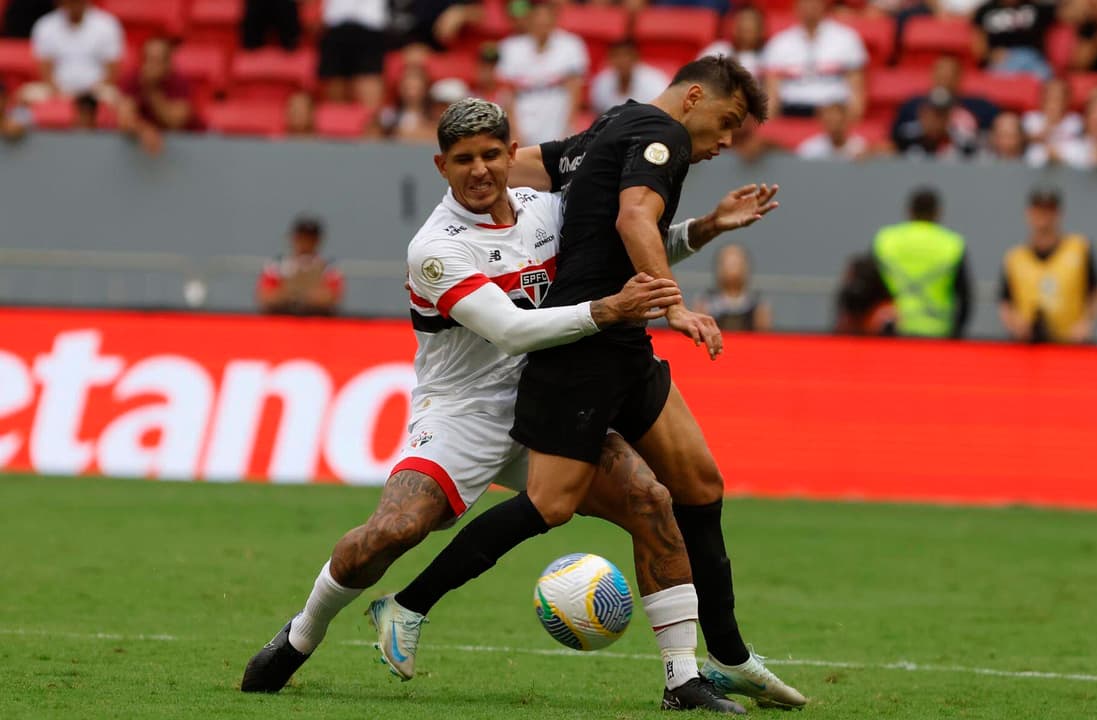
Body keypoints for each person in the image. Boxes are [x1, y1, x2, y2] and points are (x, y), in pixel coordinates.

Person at [241, 98, 773, 703]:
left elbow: (624, 254)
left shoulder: (548, 207)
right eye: (463, 159)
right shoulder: (436, 248)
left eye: (492, 154)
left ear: (510, 154)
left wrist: (705, 229)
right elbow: (513, 330)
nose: (480, 170)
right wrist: (608, 310)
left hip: (546, 402)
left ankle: (682, 679)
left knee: (652, 501)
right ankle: (301, 635)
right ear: (442, 165)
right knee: (394, 530)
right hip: (461, 412)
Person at [375, 58, 806, 711]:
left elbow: (521, 166)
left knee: (697, 485)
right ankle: (406, 605)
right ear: (694, 98)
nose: (724, 143)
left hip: (625, 343)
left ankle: (721, 659)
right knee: (549, 504)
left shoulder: (613, 125)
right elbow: (634, 218)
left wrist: (708, 228)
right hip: (579, 348)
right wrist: (676, 306)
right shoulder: (664, 140)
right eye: (727, 123)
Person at [998, 187, 1097, 343]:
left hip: (1071, 343)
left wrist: (1087, 323)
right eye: (1039, 210)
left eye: (1049, 210)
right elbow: (1005, 302)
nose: (1044, 217)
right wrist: (1016, 325)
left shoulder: (1079, 249)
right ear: (1029, 213)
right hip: (1028, 346)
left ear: (1058, 214)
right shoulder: (1015, 258)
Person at [871, 188, 971, 338]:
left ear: (909, 210)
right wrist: (957, 332)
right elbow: (965, 295)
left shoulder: (886, 240)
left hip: (892, 329)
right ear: (938, 212)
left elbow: (870, 284)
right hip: (938, 330)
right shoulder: (952, 243)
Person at [496, 0, 588, 145]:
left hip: (556, 116)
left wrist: (568, 127)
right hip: (524, 116)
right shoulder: (510, 47)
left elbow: (575, 89)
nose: (542, 23)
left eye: (546, 19)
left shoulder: (571, 45)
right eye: (538, 18)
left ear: (554, 19)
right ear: (529, 19)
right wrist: (515, 130)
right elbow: (507, 93)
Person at [762, 0, 867, 119]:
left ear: (824, 4)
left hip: (835, 113)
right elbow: (772, 94)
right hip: (792, 112)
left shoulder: (847, 39)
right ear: (796, 6)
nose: (810, 6)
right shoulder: (779, 43)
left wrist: (851, 123)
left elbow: (856, 93)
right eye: (804, 2)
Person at [24, 0, 122, 103]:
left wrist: (89, 93)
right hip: (55, 90)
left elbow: (111, 71)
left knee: (115, 98)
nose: (74, 5)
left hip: (96, 91)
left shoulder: (107, 24)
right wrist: (60, 92)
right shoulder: (45, 25)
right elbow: (45, 70)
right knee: (26, 95)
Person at [117, 37, 194, 156]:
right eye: (148, 59)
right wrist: (144, 129)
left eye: (157, 61)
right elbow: (124, 119)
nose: (151, 65)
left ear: (168, 63)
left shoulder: (180, 81)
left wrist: (152, 91)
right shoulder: (131, 79)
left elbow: (176, 121)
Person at [892, 56, 1000, 138]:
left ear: (959, 79)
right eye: (940, 77)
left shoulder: (980, 108)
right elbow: (894, 140)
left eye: (949, 77)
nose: (944, 82)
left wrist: (956, 128)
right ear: (932, 76)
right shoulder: (912, 106)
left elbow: (993, 137)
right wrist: (921, 129)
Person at [256, 216, 344, 315]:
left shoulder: (329, 268)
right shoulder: (277, 265)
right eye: (302, 237)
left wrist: (293, 294)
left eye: (311, 238)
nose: (306, 242)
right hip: (282, 321)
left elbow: (331, 297)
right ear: (293, 238)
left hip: (317, 322)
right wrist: (298, 295)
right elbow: (265, 296)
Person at [317, 0, 387, 109]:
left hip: (371, 26)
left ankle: (370, 123)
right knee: (335, 98)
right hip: (335, 25)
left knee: (369, 90)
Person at [694, 244, 771, 331]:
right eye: (728, 262)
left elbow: (763, 335)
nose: (732, 267)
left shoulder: (758, 304)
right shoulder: (706, 302)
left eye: (736, 262)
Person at [972, 0, 1055, 80]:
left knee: (1049, 81)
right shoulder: (985, 11)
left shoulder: (1035, 7)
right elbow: (978, 46)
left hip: (1032, 58)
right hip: (1002, 60)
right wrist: (990, 54)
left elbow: (1064, 13)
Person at [893, 87, 980, 159]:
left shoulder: (962, 141)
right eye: (933, 114)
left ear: (949, 117)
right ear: (922, 113)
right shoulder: (905, 135)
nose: (937, 120)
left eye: (942, 114)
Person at [591, 39, 670, 116]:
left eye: (627, 55)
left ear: (636, 57)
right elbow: (599, 114)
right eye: (616, 56)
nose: (622, 61)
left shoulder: (656, 81)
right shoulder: (601, 81)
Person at [699, 5, 766, 78]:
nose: (746, 25)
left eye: (749, 29)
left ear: (761, 30)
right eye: (741, 27)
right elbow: (696, 77)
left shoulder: (767, 56)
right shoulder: (717, 50)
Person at [378, 63, 436, 142]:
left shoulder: (436, 115)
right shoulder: (387, 115)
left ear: (426, 86)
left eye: (416, 80)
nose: (410, 82)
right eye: (406, 80)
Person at [797, 101, 868, 160]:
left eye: (838, 121)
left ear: (846, 121)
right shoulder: (810, 149)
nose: (834, 127)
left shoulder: (860, 147)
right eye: (829, 122)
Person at [1022, 76, 1081, 146]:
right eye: (1050, 98)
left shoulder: (1075, 121)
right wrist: (1048, 123)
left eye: (1058, 98)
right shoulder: (1030, 119)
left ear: (1067, 101)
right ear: (1042, 99)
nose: (1053, 103)